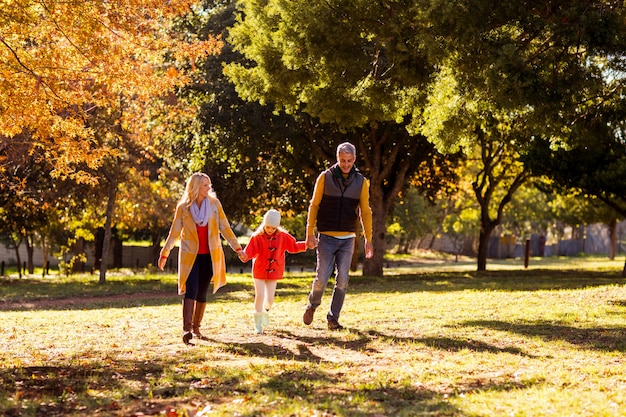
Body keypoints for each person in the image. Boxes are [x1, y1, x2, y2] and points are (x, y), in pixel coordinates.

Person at [158, 172, 243, 344]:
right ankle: (186, 329)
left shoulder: (214, 205)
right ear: (196, 187)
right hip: (191, 256)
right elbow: (174, 233)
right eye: (205, 185)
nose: (209, 187)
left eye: (209, 184)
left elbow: (225, 228)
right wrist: (164, 253)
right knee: (191, 289)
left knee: (202, 291)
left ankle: (196, 327)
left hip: (210, 256)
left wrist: (237, 248)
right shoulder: (183, 208)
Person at [303, 142, 374, 330]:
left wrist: (368, 239)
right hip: (326, 236)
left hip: (348, 238)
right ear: (337, 158)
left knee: (342, 279)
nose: (346, 164)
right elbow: (314, 205)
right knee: (322, 277)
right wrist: (310, 232)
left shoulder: (361, 182)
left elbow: (365, 211)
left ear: (354, 160)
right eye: (343, 160)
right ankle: (312, 305)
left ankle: (333, 318)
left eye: (349, 161)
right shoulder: (325, 177)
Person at [239, 209, 307, 334]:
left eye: (273, 228)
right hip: (259, 269)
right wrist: (244, 255)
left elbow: (294, 246)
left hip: (274, 270)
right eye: (268, 227)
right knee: (260, 295)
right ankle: (257, 323)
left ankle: (265, 310)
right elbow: (249, 251)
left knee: (269, 300)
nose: (270, 230)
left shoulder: (283, 236)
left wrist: (306, 244)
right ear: (264, 224)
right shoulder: (257, 237)